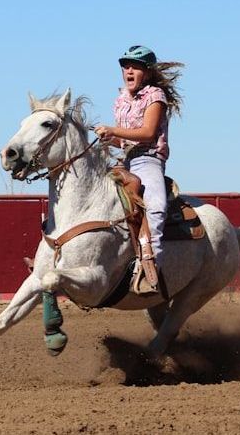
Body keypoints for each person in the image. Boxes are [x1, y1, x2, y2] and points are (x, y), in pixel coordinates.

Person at [94, 45, 184, 293]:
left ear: (148, 72)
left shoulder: (155, 95)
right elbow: (124, 140)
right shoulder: (121, 99)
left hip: (148, 160)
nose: (129, 71)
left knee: (155, 207)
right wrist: (108, 138)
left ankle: (149, 268)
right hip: (125, 160)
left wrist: (113, 130)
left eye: (135, 67)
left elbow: (147, 133)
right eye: (126, 67)